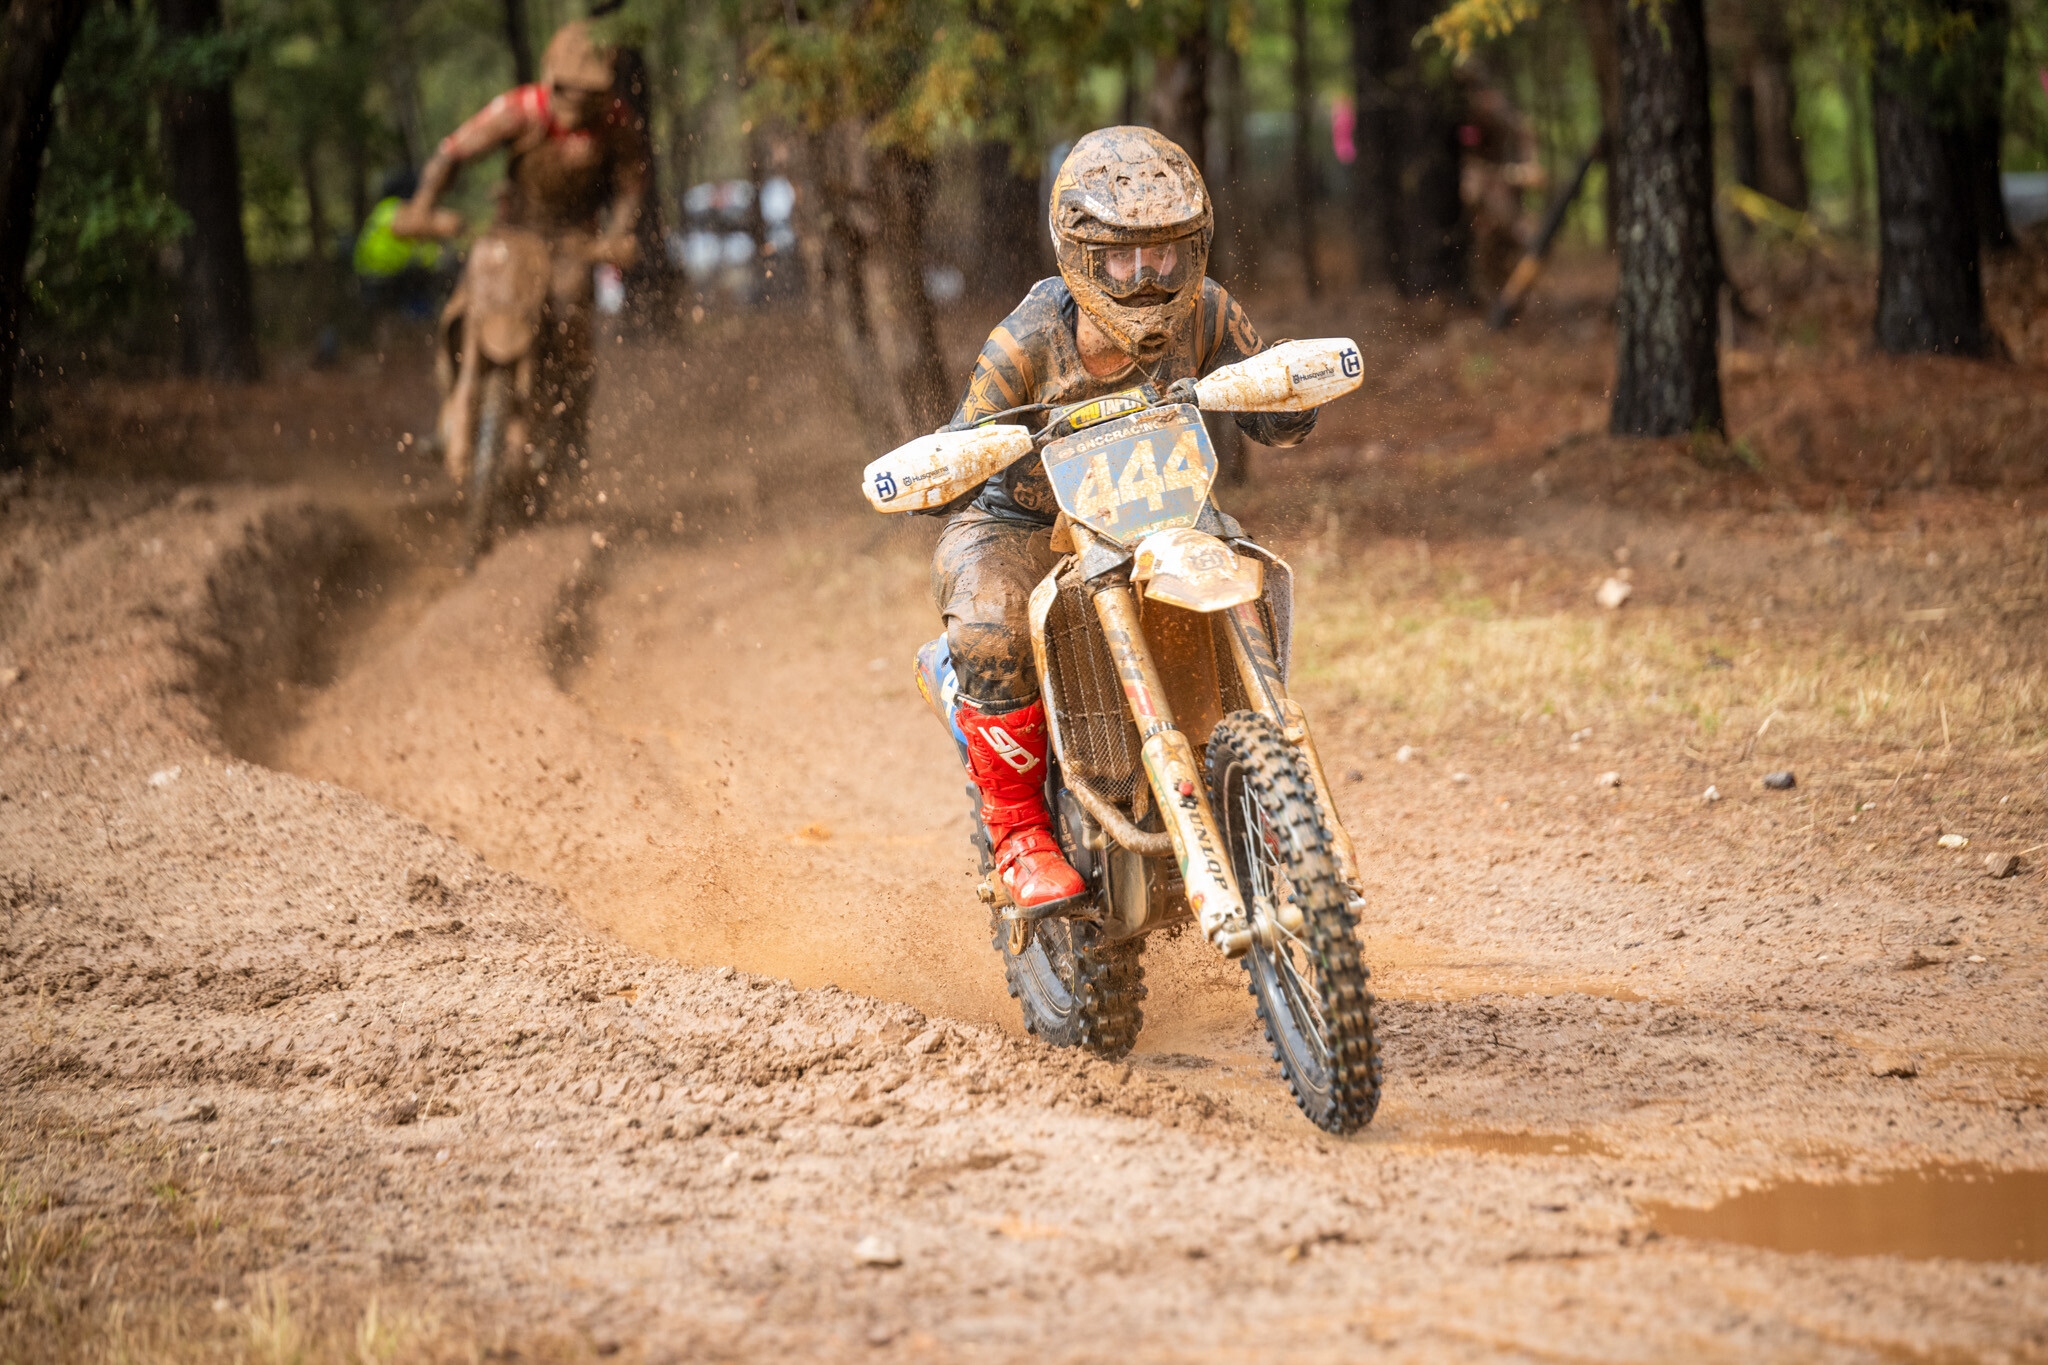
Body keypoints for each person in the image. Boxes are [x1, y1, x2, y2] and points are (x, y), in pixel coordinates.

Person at [934, 126, 1320, 912]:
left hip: (1158, 507)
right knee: (988, 625)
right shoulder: (1026, 341)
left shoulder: (1205, 313)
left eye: (1164, 256)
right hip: (1021, 523)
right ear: (1080, 257)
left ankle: (1257, 779)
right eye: (1122, 259)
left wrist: (1283, 391)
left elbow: (1278, 418)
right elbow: (959, 451)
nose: (1146, 278)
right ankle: (1018, 836)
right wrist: (951, 460)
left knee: (1236, 570)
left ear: (1193, 249)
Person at [392, 20, 646, 483]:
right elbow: (454, 153)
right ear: (552, 80)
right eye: (572, 93)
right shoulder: (520, 110)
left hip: (575, 242)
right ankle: (452, 407)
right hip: (512, 234)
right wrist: (423, 208)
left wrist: (617, 233)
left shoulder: (615, 122)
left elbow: (631, 183)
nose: (580, 105)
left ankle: (569, 427)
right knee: (467, 309)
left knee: (572, 323)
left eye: (591, 95)